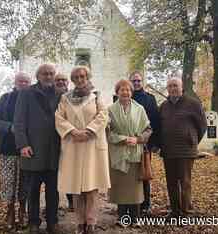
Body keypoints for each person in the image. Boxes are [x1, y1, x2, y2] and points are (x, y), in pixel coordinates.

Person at [55, 66, 111, 234]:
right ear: (72, 80)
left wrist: (89, 131)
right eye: (76, 77)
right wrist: (73, 131)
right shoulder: (65, 98)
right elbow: (59, 117)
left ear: (87, 77)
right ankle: (80, 222)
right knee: (77, 187)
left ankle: (91, 222)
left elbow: (103, 114)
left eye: (82, 76)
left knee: (92, 187)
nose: (80, 79)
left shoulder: (97, 95)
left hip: (92, 144)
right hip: (73, 145)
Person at [14, 64, 61, 234]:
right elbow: (18, 121)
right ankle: (33, 222)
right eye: (45, 74)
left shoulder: (59, 94)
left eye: (51, 74)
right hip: (33, 150)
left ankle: (52, 222)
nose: (48, 76)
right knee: (33, 190)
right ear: (38, 76)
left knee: (53, 192)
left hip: (54, 151)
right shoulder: (26, 93)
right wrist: (23, 144)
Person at [159, 77, 207, 218]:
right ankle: (175, 212)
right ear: (167, 89)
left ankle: (186, 212)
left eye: (175, 85)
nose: (173, 88)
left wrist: (192, 139)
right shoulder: (163, 106)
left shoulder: (193, 104)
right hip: (168, 151)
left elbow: (202, 126)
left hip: (186, 150)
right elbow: (159, 127)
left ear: (181, 87)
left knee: (185, 182)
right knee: (171, 183)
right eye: (170, 86)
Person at [108, 79, 152, 226]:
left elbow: (148, 129)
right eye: (122, 89)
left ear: (131, 92)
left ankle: (135, 218)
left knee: (135, 190)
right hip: (118, 153)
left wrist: (138, 139)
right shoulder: (110, 110)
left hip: (135, 153)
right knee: (120, 188)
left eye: (128, 90)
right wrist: (123, 139)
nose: (125, 92)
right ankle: (122, 218)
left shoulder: (139, 109)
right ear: (117, 92)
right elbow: (107, 132)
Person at [0, 72, 31, 230]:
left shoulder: (32, 100)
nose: (23, 84)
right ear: (15, 82)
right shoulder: (6, 98)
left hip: (27, 149)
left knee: (25, 182)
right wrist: (10, 127)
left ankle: (22, 211)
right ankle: (10, 212)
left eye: (26, 82)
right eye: (21, 81)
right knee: (8, 182)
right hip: (7, 148)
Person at [129, 71, 160, 216]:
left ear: (142, 82)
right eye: (133, 81)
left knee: (144, 174)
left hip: (145, 143)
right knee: (128, 175)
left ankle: (145, 204)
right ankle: (128, 204)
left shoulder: (150, 98)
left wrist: (153, 143)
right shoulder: (124, 97)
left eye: (138, 81)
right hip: (127, 143)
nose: (136, 83)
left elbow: (155, 122)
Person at [54, 73, 74, 211]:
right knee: (54, 174)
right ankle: (53, 206)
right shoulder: (50, 96)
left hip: (70, 138)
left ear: (68, 82)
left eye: (64, 80)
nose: (61, 82)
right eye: (58, 80)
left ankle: (72, 201)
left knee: (70, 172)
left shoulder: (74, 96)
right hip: (52, 140)